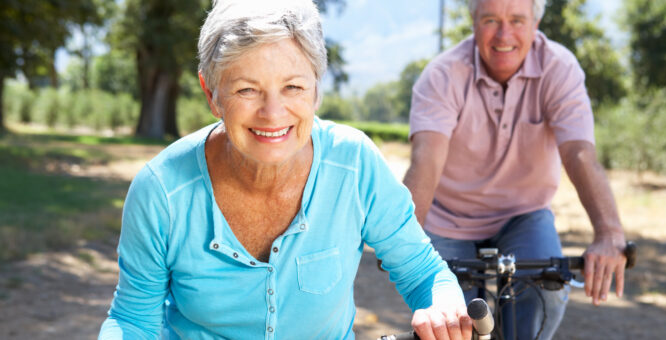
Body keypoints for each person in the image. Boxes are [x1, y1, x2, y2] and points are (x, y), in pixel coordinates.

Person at [98, 1, 472, 339]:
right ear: (212, 94)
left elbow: (425, 272)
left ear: (315, 90)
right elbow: (133, 320)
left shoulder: (355, 164)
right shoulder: (160, 191)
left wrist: (443, 306)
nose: (272, 114)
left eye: (293, 86)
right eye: (247, 90)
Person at [403, 0, 628, 339]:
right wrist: (404, 240)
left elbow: (579, 152)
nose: (504, 34)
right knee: (448, 322)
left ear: (536, 22)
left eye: (517, 20)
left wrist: (609, 234)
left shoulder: (560, 68)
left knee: (546, 293)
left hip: (524, 214)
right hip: (449, 217)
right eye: (491, 19)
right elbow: (426, 159)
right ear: (474, 20)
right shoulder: (443, 74)